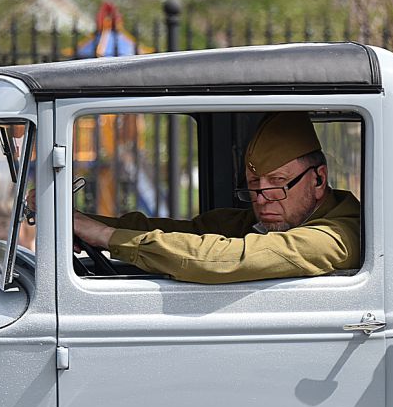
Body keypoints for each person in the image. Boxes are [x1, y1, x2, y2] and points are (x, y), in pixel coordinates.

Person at [72, 112, 360, 283]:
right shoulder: (261, 220)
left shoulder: (339, 235)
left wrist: (107, 237)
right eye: (254, 186)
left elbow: (224, 258)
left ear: (318, 179)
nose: (261, 200)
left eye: (277, 183)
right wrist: (77, 222)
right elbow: (185, 232)